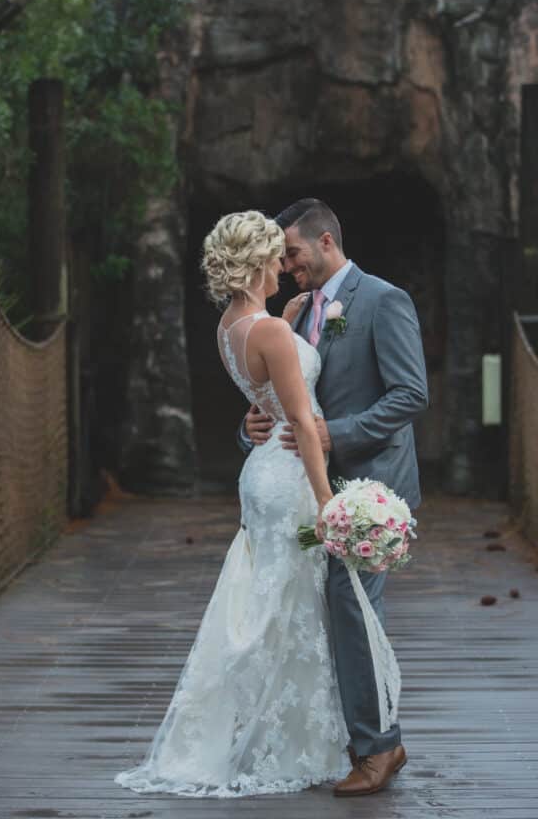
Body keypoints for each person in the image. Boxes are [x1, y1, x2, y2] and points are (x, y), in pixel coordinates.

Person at [114, 210, 351, 798]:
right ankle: (272, 739)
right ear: (255, 265)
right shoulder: (269, 332)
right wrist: (330, 505)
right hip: (290, 472)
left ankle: (250, 725)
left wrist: (289, 321)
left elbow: (264, 390)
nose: (282, 266)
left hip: (260, 473)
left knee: (264, 599)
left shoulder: (232, 325)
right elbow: (299, 416)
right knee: (284, 606)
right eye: (274, 258)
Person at [239, 197, 429, 797]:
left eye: (292, 253)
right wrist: (251, 427)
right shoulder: (292, 316)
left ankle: (380, 748)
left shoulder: (384, 300)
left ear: (325, 243)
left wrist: (334, 433)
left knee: (351, 608)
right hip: (307, 496)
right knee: (321, 610)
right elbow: (280, 395)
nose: (286, 264)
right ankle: (356, 740)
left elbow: (410, 395)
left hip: (368, 489)